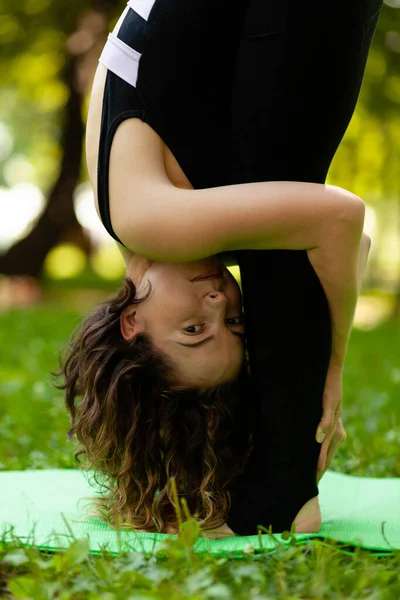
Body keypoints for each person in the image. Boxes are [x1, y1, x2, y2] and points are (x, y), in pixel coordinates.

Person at [57, 0, 379, 538]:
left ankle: (286, 489)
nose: (220, 304)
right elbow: (355, 243)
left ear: (131, 324)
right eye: (233, 326)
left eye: (191, 331)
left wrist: (332, 371)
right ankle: (285, 485)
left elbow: (340, 219)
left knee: (282, 241)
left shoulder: (154, 223)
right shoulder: (150, 220)